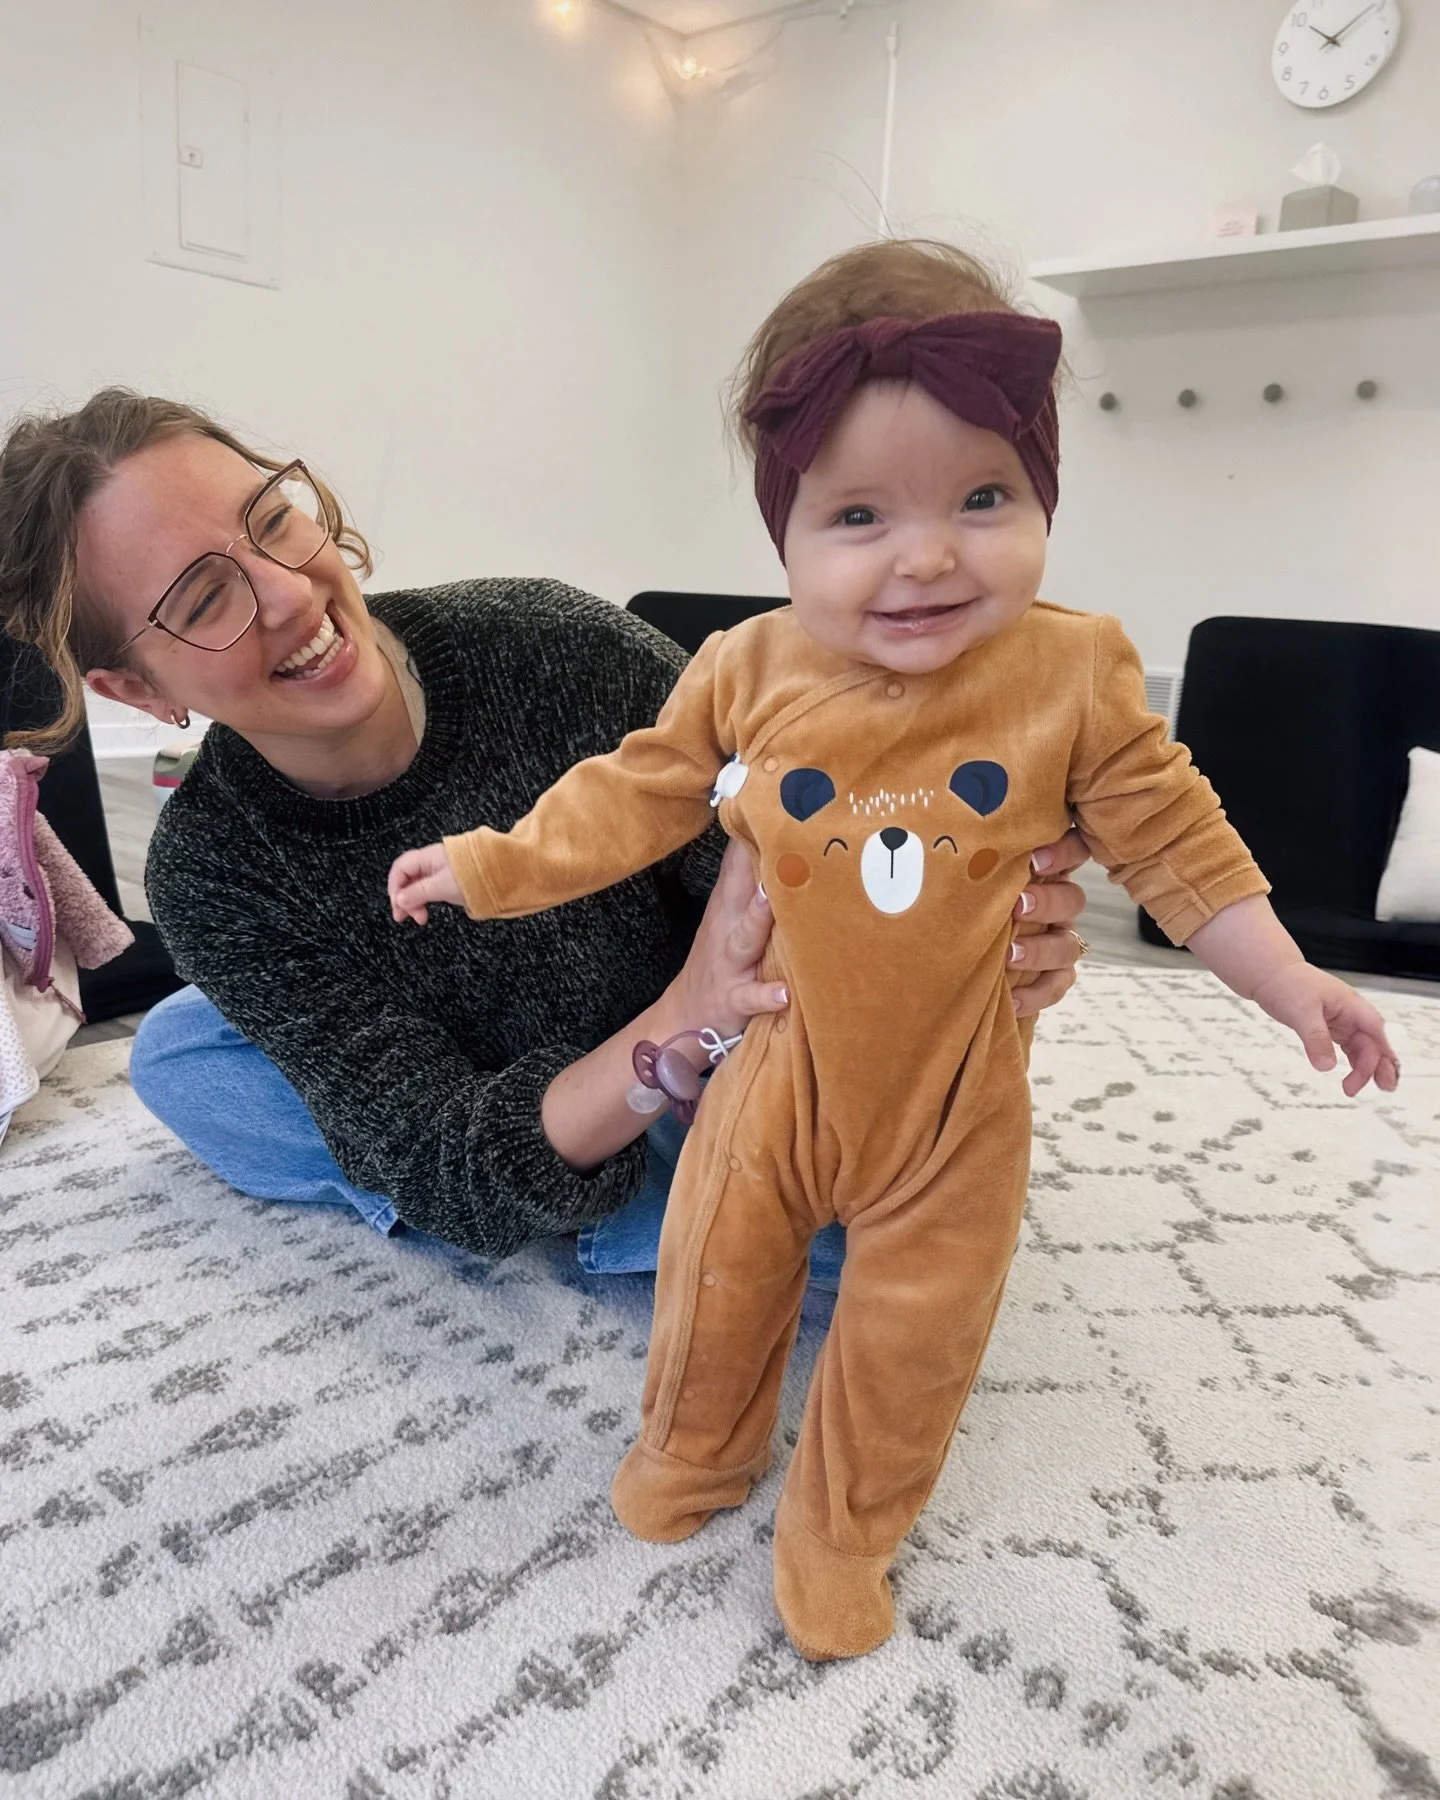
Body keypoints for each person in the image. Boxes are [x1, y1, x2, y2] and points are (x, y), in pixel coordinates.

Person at [387, 239, 1400, 1663]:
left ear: (1044, 499)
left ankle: (846, 1536)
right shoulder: (747, 667)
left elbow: (1179, 842)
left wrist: (1290, 978)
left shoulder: (1073, 673)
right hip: (775, 1069)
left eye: (984, 499)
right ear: (785, 539)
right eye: (858, 516)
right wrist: (493, 865)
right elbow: (637, 791)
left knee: (915, 1343)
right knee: (713, 1282)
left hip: (957, 1106)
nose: (927, 556)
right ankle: (695, 1452)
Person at [0, 386, 1092, 1279]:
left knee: (887, 1212)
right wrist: (680, 1018)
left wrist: (964, 934)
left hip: (717, 1065)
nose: (291, 593)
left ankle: (605, 1203)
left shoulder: (554, 647)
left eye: (272, 519)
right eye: (204, 599)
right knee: (182, 1056)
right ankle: (624, 1207)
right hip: (637, 1049)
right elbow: (426, 1138)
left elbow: (811, 875)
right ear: (136, 689)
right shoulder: (214, 868)